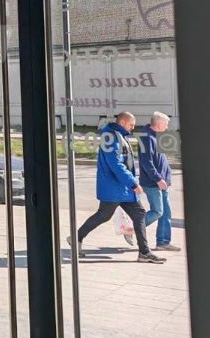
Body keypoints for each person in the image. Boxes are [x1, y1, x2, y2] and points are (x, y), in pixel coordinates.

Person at [68, 111, 166, 263]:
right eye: (131, 125)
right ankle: (76, 237)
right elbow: (116, 164)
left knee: (139, 213)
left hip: (123, 188)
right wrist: (133, 183)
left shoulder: (119, 135)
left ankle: (144, 252)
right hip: (114, 187)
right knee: (103, 215)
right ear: (122, 122)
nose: (132, 128)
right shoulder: (110, 137)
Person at [139, 111, 181, 252]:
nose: (167, 126)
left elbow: (160, 160)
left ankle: (163, 242)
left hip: (162, 183)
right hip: (153, 183)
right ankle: (133, 228)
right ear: (159, 124)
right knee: (157, 211)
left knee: (166, 214)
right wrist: (158, 179)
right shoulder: (146, 138)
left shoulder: (157, 136)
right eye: (166, 124)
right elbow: (146, 162)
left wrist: (165, 178)